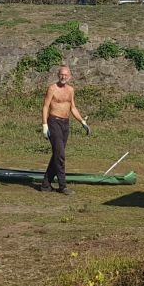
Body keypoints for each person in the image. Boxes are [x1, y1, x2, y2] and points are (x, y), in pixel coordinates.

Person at [40, 64, 89, 194]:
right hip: (54, 122)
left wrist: (82, 121)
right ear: (58, 75)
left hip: (65, 124)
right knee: (60, 155)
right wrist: (44, 125)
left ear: (70, 76)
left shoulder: (71, 90)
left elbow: (73, 107)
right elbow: (45, 107)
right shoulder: (52, 88)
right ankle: (63, 186)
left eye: (66, 75)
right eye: (62, 74)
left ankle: (45, 185)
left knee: (57, 154)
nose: (63, 77)